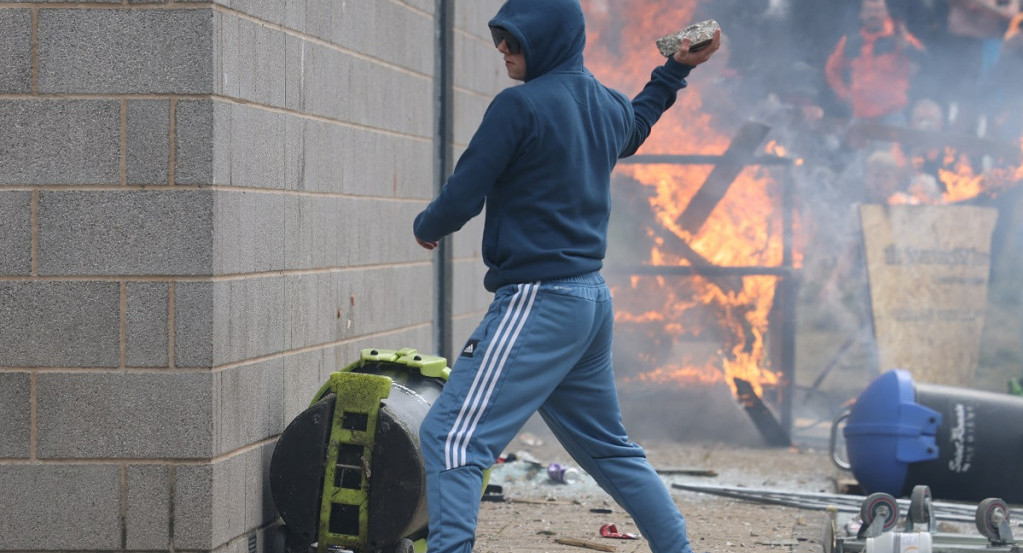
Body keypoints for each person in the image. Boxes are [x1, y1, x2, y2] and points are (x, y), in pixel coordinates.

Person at [411, 1, 720, 553]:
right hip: (588, 303)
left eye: (513, 39)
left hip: (540, 300)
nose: (502, 49)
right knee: (609, 451)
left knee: (452, 439)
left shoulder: (518, 107)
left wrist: (429, 225)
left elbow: (464, 192)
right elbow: (639, 120)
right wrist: (675, 70)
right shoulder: (603, 105)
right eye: (499, 37)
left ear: (548, 39)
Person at [824, 0, 927, 125]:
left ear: (885, 13)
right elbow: (831, 70)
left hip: (891, 115)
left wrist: (906, 47)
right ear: (861, 14)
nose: (874, 15)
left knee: (892, 144)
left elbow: (924, 60)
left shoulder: (898, 38)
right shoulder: (851, 42)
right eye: (869, 10)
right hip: (860, 115)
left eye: (878, 10)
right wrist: (844, 94)